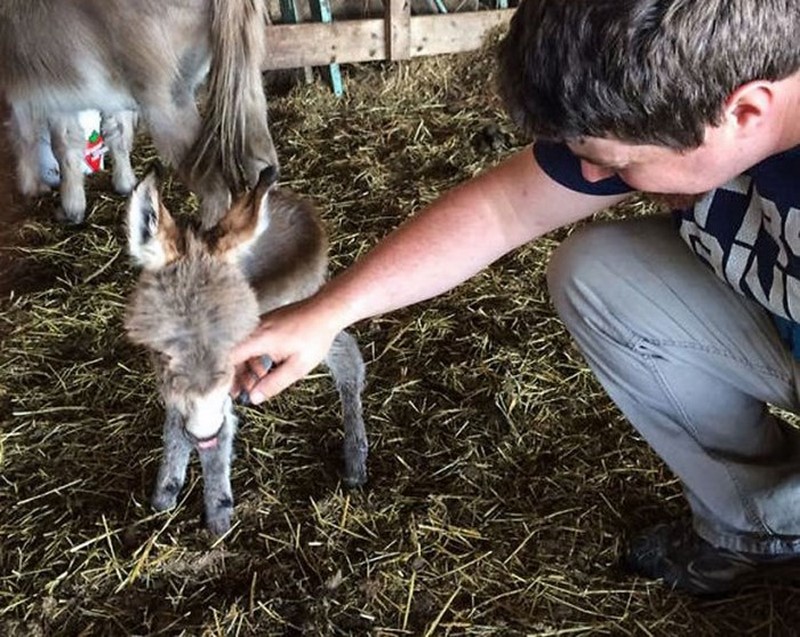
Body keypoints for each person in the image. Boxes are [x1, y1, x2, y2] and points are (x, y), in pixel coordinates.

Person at [232, 0, 800, 595]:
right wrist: (325, 313)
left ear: (745, 111)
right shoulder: (689, 86)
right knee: (595, 271)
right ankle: (757, 523)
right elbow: (503, 209)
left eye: (618, 163)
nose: (595, 179)